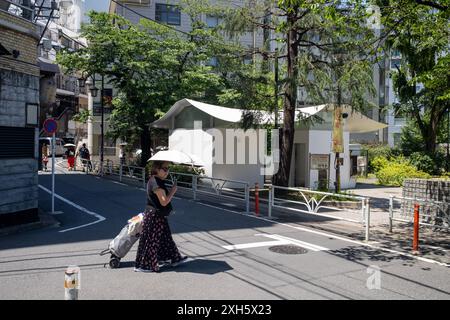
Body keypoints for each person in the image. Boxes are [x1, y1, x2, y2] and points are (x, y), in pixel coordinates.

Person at [134, 161, 187, 272]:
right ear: (157, 169)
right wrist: (173, 191)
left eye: (168, 169)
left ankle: (174, 258)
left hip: (158, 215)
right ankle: (144, 265)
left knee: (166, 238)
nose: (167, 171)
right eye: (164, 168)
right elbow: (163, 202)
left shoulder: (157, 181)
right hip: (154, 216)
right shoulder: (156, 183)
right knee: (151, 240)